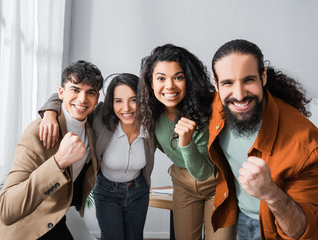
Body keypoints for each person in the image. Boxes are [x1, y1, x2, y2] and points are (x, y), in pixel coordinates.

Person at [0, 60, 103, 239]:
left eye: (90, 92)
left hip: (54, 218)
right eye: (75, 90)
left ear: (97, 98)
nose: (82, 99)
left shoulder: (92, 125)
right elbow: (6, 209)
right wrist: (58, 161)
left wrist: (50, 110)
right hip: (21, 227)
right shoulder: (37, 133)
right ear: (62, 92)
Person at [209, 39, 318, 239]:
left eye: (248, 80)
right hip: (240, 218)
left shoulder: (306, 145)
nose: (239, 95)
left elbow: (304, 232)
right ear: (216, 85)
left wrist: (270, 192)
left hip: (275, 229)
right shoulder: (219, 103)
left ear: (263, 76)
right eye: (228, 83)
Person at [39, 73, 155, 240]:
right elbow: (61, 97)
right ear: (110, 102)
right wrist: (49, 112)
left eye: (133, 100)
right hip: (108, 193)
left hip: (139, 192)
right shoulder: (100, 116)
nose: (126, 108)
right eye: (118, 101)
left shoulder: (150, 123)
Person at [138, 44, 236, 240]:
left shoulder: (207, 110)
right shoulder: (150, 113)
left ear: (188, 80)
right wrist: (56, 107)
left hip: (217, 182)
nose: (169, 86)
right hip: (183, 184)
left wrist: (186, 142)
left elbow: (203, 173)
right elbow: (107, 106)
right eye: (161, 79)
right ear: (150, 83)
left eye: (178, 77)